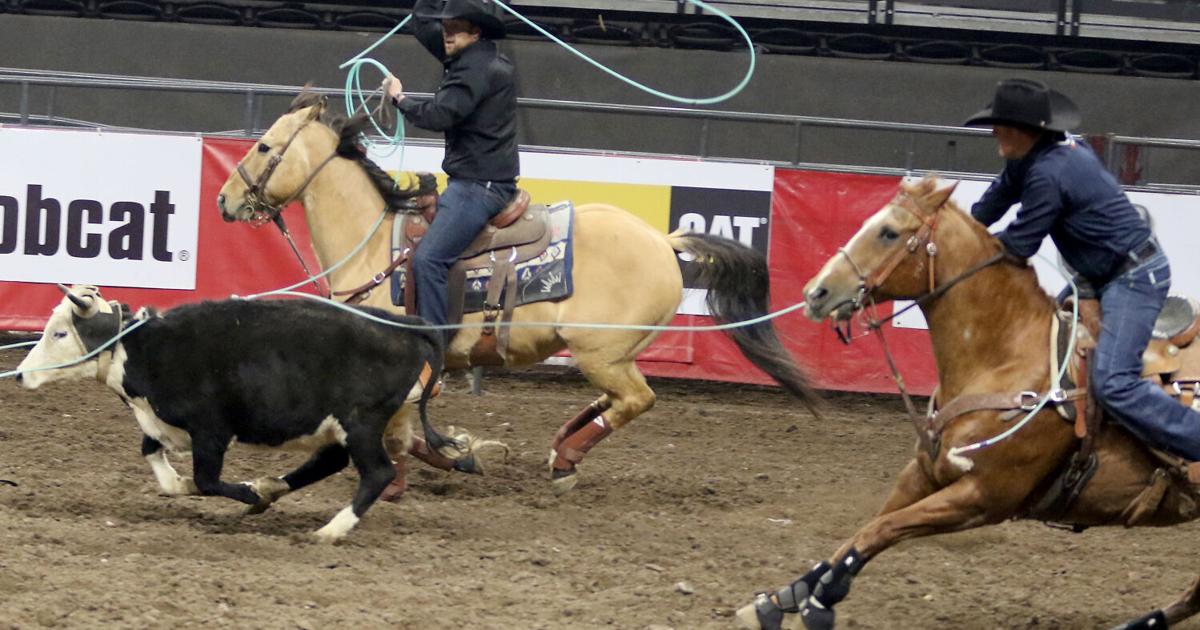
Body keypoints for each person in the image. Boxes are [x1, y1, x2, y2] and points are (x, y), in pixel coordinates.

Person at [965, 77, 1200, 461]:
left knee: (1114, 382)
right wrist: (959, 228)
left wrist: (962, 249)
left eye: (999, 125)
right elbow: (990, 204)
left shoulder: (1050, 173)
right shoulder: (1037, 156)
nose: (993, 131)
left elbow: (1020, 244)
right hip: (1105, 273)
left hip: (1133, 277)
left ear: (1022, 130)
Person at [383, 0, 519, 345]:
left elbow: (440, 115)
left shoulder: (474, 70)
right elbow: (421, 23)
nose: (446, 33)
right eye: (445, 26)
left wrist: (400, 100)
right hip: (479, 180)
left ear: (475, 32)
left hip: (479, 186)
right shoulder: (475, 56)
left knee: (428, 259)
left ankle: (434, 348)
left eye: (455, 27)